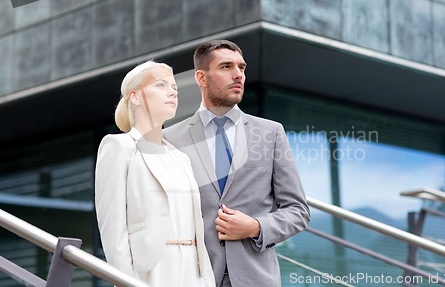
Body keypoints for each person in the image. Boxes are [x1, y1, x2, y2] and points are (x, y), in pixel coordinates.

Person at [164, 40, 311, 287]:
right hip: (193, 278)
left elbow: (298, 210)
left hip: (256, 278)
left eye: (241, 68)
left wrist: (256, 226)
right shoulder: (170, 138)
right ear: (201, 77)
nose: (238, 75)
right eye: (226, 67)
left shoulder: (271, 133)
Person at [94, 61, 215, 287]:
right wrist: (125, 281)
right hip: (150, 272)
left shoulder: (181, 158)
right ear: (136, 97)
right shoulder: (119, 147)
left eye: (174, 88)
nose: (172, 92)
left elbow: (196, 228)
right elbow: (113, 229)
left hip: (192, 273)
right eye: (161, 85)